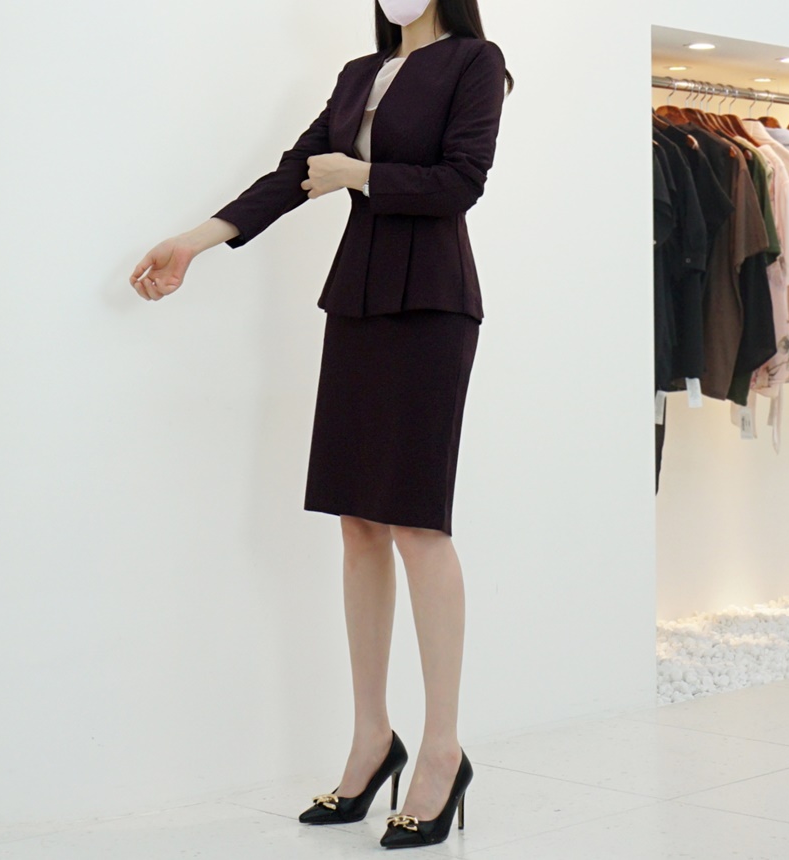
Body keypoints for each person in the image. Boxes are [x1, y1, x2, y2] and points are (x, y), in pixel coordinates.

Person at [129, 0, 511, 849]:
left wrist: (362, 175)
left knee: (417, 525)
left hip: (431, 305)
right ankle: (372, 738)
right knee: (358, 524)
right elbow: (292, 176)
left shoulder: (474, 62)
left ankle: (442, 751)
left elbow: (462, 183)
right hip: (358, 303)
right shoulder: (356, 75)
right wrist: (193, 242)